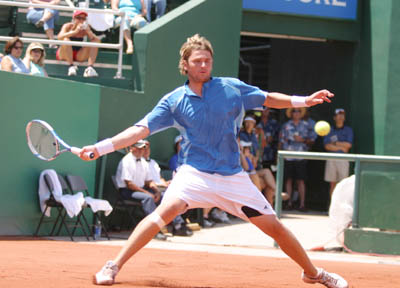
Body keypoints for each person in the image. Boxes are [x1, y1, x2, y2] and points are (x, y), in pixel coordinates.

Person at [79, 34, 347, 288]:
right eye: (197, 60)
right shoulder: (174, 101)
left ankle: (313, 274)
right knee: (164, 213)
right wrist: (101, 148)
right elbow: (140, 130)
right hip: (194, 174)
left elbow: (267, 98)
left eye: (208, 60)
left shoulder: (231, 87)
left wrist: (304, 100)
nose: (204, 65)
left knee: (274, 227)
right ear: (185, 64)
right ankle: (113, 265)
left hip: (232, 176)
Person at [116, 140, 192, 237]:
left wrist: (157, 192)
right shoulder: (126, 161)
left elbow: (149, 181)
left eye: (142, 148)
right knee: (148, 198)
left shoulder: (143, 162)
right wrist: (148, 193)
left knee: (165, 196)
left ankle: (178, 225)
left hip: (141, 189)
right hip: (127, 191)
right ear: (131, 148)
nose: (141, 150)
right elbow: (130, 184)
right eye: (138, 148)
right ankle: (153, 230)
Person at [279, 107, 313, 211]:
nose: (296, 113)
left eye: (298, 111)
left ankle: (302, 204)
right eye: (294, 111)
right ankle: (288, 203)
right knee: (288, 180)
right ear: (291, 113)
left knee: (301, 181)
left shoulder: (306, 125)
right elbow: (281, 141)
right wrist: (279, 156)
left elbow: (311, 141)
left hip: (301, 156)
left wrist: (302, 140)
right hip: (288, 156)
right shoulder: (286, 126)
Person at [56, 10, 100, 77]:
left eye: (83, 18)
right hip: (64, 53)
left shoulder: (86, 28)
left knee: (94, 42)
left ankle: (90, 68)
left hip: (78, 54)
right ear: (74, 18)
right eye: (79, 18)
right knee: (66, 40)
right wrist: (74, 32)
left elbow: (98, 41)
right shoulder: (68, 26)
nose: (81, 20)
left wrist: (89, 32)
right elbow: (59, 37)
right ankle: (71, 66)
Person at [323, 108, 354, 197]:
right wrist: (341, 147)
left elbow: (348, 146)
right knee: (332, 183)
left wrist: (335, 143)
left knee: (343, 183)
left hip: (343, 159)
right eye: (338, 115)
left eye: (342, 115)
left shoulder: (348, 130)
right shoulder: (329, 130)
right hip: (331, 158)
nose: (341, 116)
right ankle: (332, 206)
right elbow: (327, 146)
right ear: (334, 117)